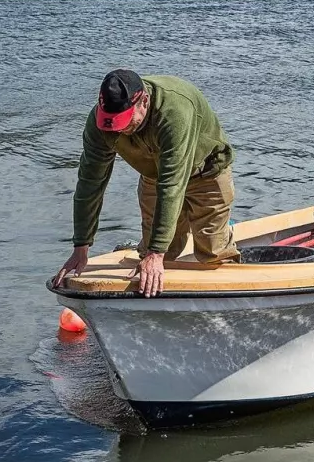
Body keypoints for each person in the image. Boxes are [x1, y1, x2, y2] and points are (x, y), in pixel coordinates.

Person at [56, 69, 239, 297]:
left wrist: (156, 253)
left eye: (125, 121)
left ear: (144, 101)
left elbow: (172, 184)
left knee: (212, 252)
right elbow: (90, 183)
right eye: (112, 124)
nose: (120, 130)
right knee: (159, 255)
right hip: (154, 177)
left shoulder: (174, 111)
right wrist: (81, 245)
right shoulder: (99, 123)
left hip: (206, 173)